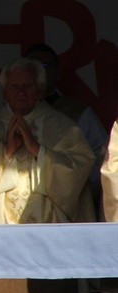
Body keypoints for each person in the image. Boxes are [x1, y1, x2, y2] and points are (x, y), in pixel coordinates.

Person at [0, 58, 95, 293]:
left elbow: (79, 168)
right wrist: (5, 153)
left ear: (41, 90)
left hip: (50, 234)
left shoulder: (63, 128)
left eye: (28, 86)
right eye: (14, 87)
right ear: (4, 91)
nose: (21, 92)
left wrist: (38, 151)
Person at [24, 43, 108, 218]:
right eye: (32, 66)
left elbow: (101, 161)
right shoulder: (11, 117)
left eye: (45, 66)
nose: (38, 71)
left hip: (69, 206)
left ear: (57, 72)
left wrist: (71, 182)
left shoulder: (79, 114)